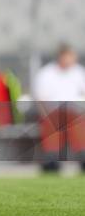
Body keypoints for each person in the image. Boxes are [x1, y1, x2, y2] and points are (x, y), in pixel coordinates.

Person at [33, 44, 85, 173]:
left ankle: (82, 155)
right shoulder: (47, 73)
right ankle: (51, 159)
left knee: (78, 125)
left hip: (75, 112)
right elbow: (41, 97)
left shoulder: (79, 72)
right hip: (53, 112)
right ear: (61, 56)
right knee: (53, 126)